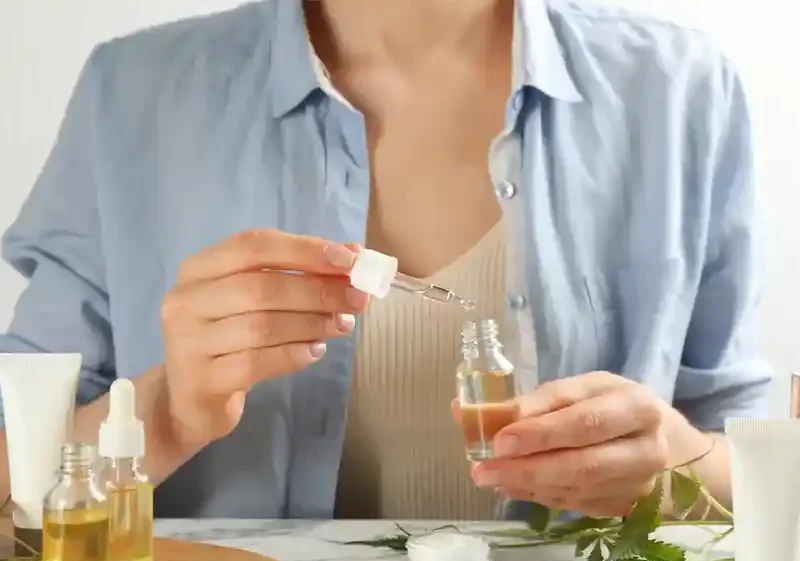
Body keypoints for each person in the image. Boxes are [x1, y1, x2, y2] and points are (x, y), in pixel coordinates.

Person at [0, 0, 771, 521]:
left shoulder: (674, 90)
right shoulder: (135, 95)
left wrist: (679, 467)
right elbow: (13, 486)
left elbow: (764, 480)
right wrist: (164, 414)